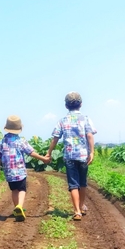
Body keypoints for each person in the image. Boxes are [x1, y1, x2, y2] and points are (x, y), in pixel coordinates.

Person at [46, 92, 97, 221]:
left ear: (66, 106)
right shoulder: (85, 118)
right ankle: (81, 205)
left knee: (73, 184)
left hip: (69, 156)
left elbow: (55, 138)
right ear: (81, 104)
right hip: (83, 156)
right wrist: (92, 152)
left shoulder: (62, 121)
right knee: (83, 182)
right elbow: (90, 135)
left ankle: (77, 211)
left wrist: (49, 152)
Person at [0, 115, 50, 222]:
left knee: (14, 190)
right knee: (22, 189)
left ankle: (17, 209)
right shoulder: (20, 141)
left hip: (9, 172)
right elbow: (31, 152)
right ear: (19, 129)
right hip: (19, 171)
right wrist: (43, 159)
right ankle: (19, 206)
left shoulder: (2, 142)